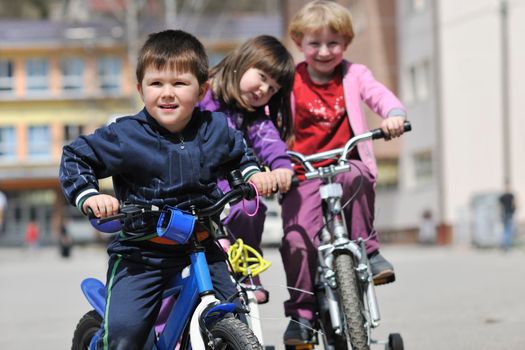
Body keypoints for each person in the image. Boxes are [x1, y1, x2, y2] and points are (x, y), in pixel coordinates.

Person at [59, 29, 276, 349]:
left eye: (180, 83)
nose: (167, 93)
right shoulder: (127, 135)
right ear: (140, 88)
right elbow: (76, 157)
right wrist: (91, 195)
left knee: (235, 315)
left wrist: (254, 175)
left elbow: (239, 156)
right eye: (156, 83)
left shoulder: (215, 129)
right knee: (126, 332)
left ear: (202, 90)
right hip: (143, 252)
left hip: (202, 243)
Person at [279, 0, 408, 343]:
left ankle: (369, 249)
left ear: (346, 44)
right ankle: (302, 313)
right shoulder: (289, 79)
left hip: (344, 161)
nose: (324, 51)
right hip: (302, 171)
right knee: (295, 240)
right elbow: (266, 118)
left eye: (333, 43)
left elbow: (379, 95)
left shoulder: (354, 75)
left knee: (357, 175)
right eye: (314, 43)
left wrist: (392, 114)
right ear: (299, 43)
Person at [198, 35, 295, 304]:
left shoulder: (252, 116)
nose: (264, 90)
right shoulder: (202, 94)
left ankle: (246, 264)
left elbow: (269, 141)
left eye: (273, 89)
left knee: (251, 205)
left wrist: (281, 167)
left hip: (230, 186)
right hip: (192, 184)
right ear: (243, 61)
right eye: (262, 76)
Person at [499, 185, 516, 251]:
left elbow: (499, 206)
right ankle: (507, 245)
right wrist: (514, 210)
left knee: (505, 230)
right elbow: (514, 204)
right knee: (508, 230)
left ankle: (504, 244)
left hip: (504, 214)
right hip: (509, 214)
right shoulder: (511, 195)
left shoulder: (502, 197)